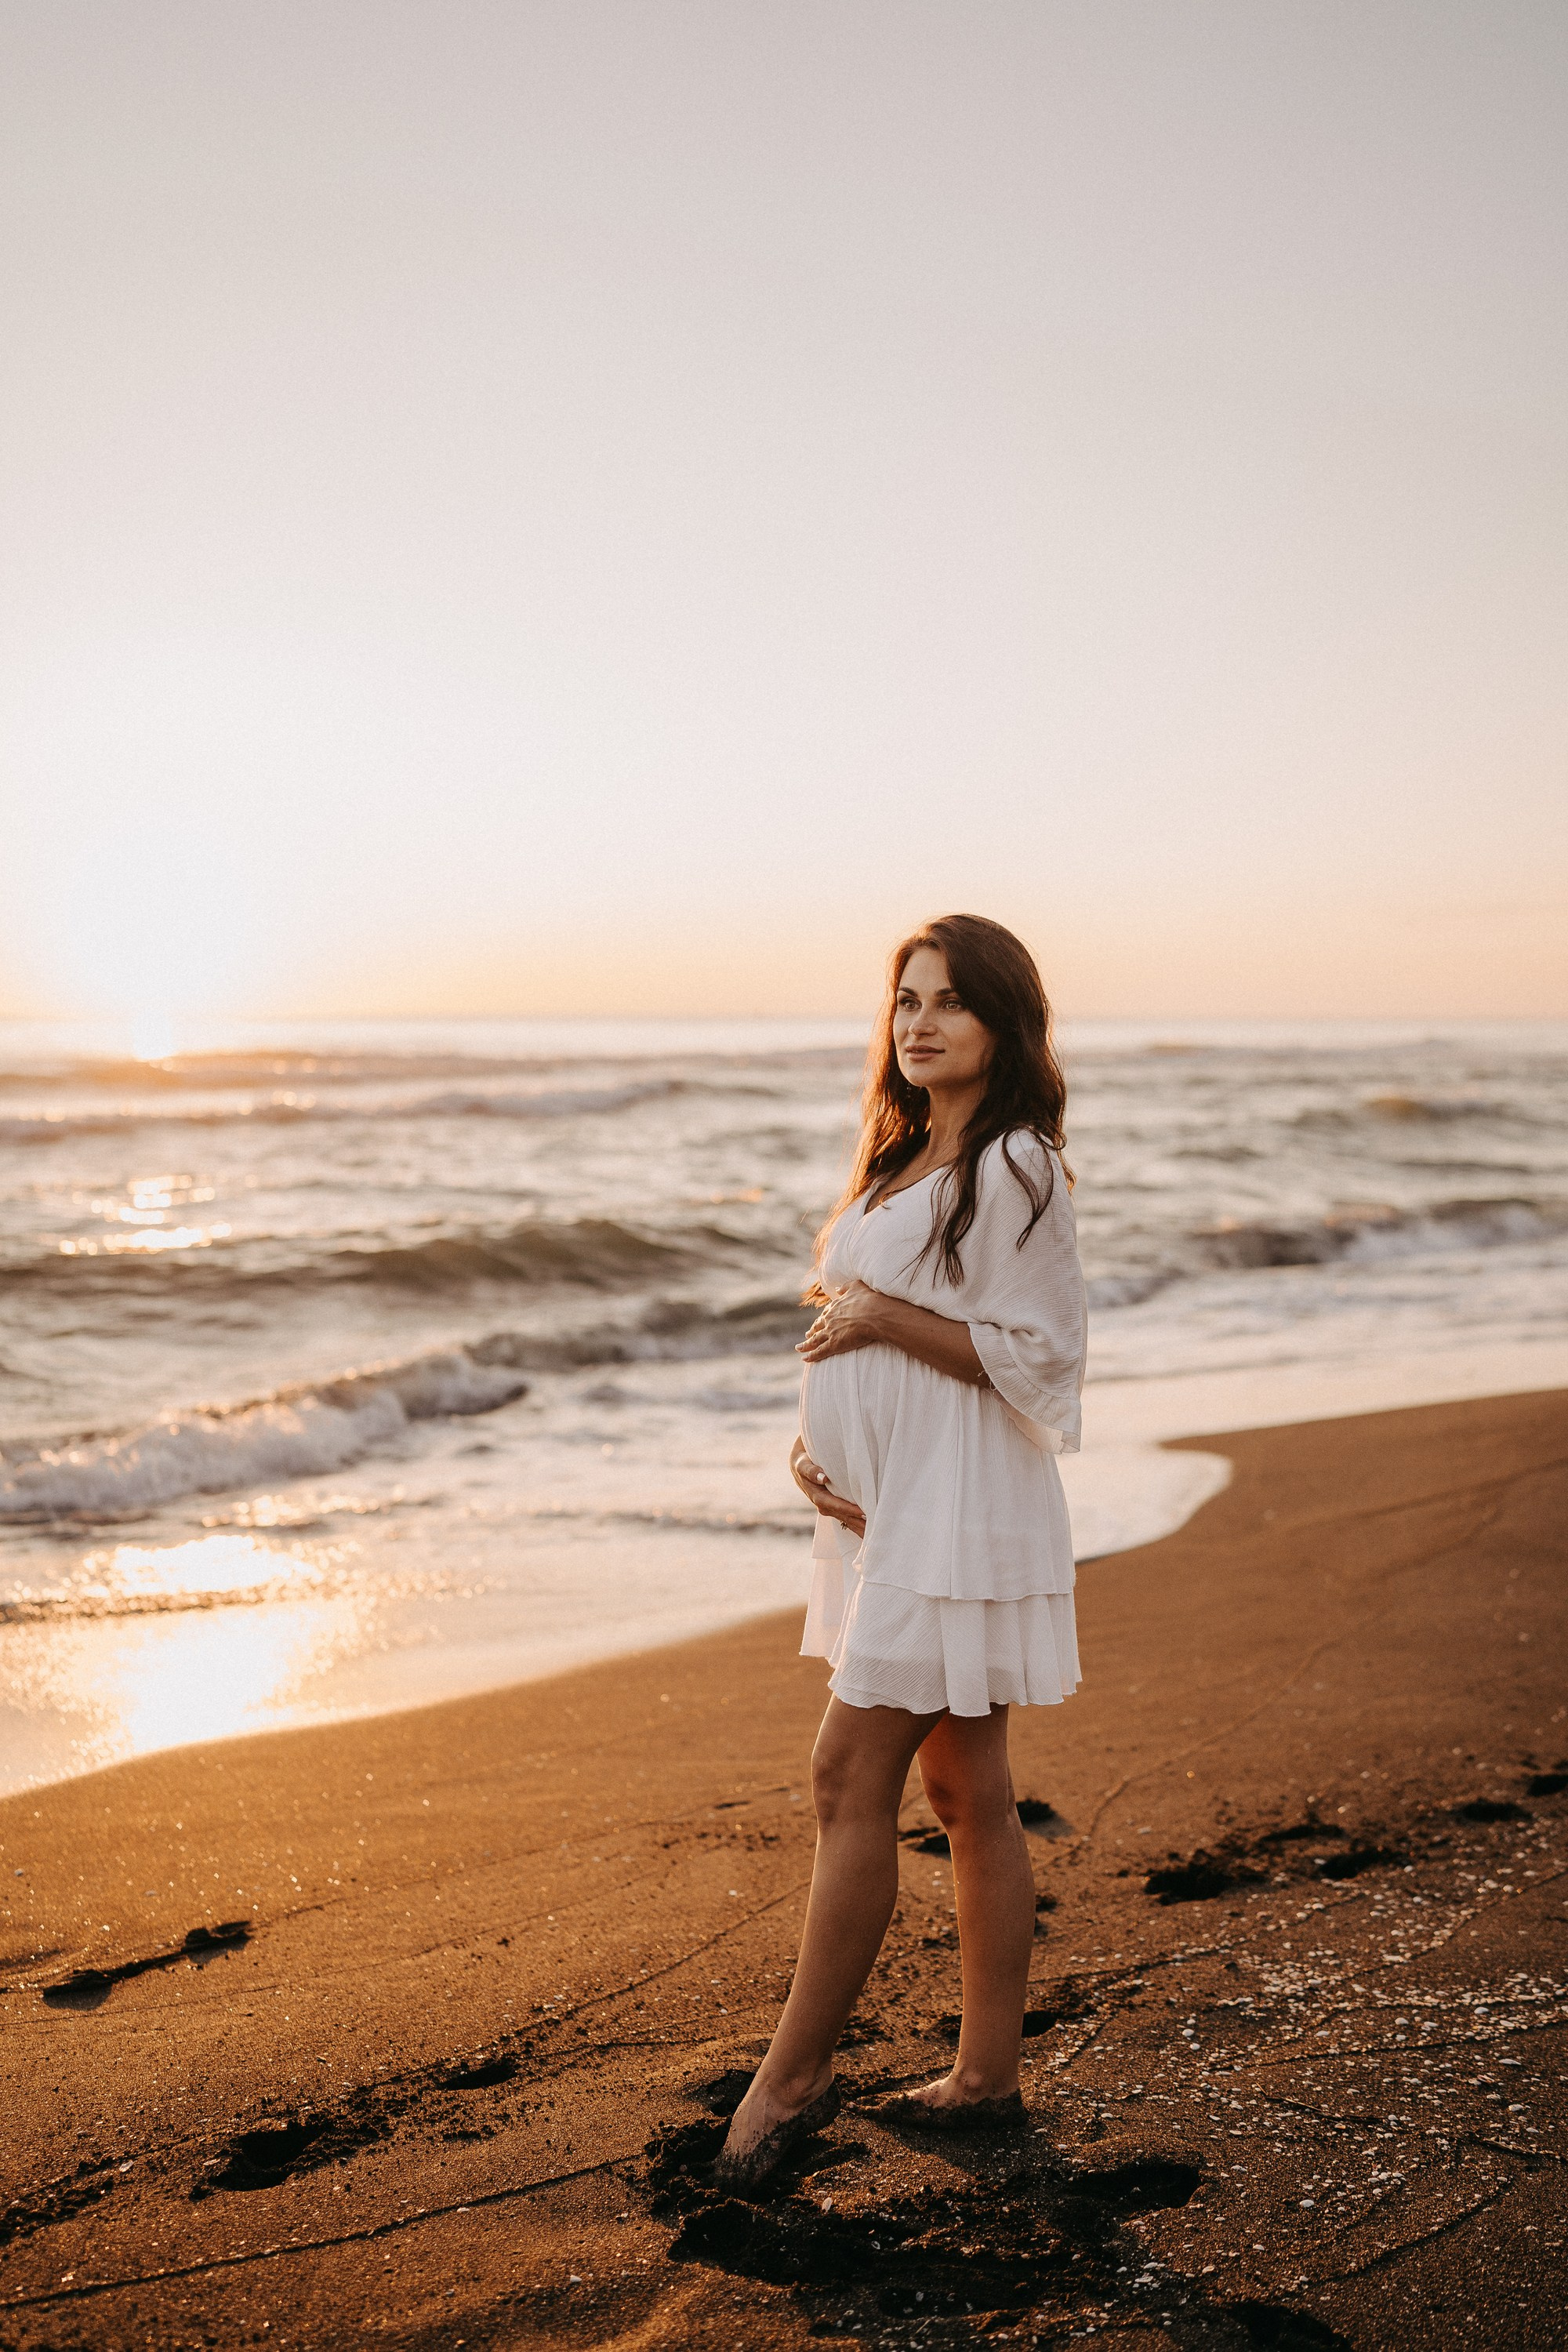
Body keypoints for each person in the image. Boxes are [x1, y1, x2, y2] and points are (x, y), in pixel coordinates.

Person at [715, 912, 1087, 2189]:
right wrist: (823, 1458)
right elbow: (863, 1343)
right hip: (896, 1510)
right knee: (963, 1789)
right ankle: (987, 2076)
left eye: (951, 1003)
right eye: (905, 1001)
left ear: (1004, 1024)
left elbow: (1035, 1361)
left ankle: (796, 2072)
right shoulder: (901, 1159)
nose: (918, 1023)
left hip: (960, 1512)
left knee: (843, 1777)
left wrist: (879, 1312)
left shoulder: (1017, 1164)